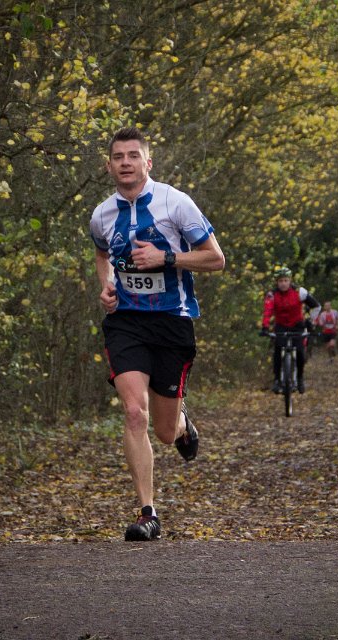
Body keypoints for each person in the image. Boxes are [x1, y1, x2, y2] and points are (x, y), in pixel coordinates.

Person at [89, 126, 225, 541]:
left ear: (148, 162)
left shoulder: (175, 203)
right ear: (109, 166)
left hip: (171, 322)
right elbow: (101, 253)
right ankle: (148, 512)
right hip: (126, 322)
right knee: (134, 412)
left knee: (165, 433)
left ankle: (182, 424)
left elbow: (215, 259)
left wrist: (167, 258)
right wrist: (106, 285)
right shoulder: (101, 215)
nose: (126, 163)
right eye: (118, 157)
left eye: (133, 156)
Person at [260, 267, 321, 394]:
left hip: (297, 325)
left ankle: (300, 379)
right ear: (276, 282)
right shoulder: (272, 295)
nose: (283, 283)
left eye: (286, 280)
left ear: (290, 281)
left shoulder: (300, 292)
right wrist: (265, 327)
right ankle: (277, 380)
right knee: (277, 351)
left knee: (300, 352)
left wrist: (311, 321)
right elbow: (267, 311)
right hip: (281, 325)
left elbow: (316, 306)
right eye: (280, 281)